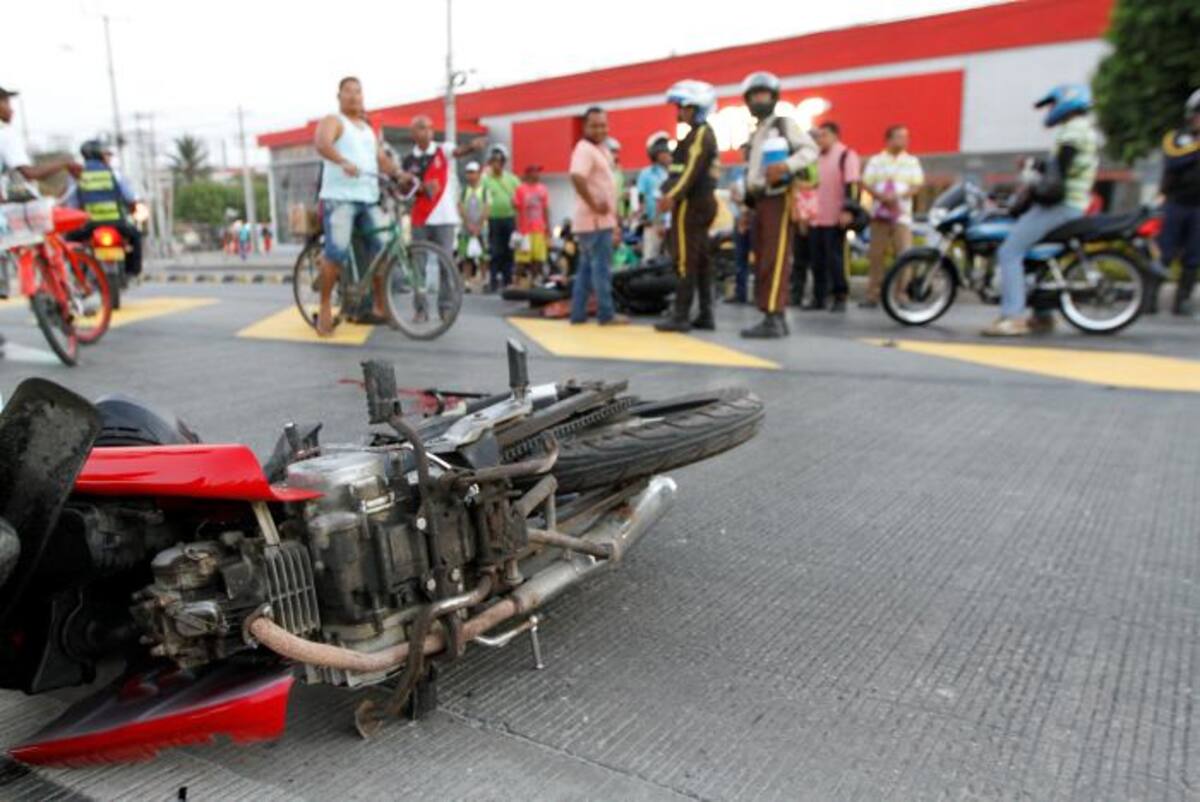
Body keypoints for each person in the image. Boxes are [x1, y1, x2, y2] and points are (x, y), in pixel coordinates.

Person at [982, 83, 1098, 336]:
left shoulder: (1073, 132)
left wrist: (1032, 184)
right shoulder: (1081, 130)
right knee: (1037, 256)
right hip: (1072, 204)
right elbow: (1058, 168)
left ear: (1068, 102)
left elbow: (1058, 176)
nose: (1052, 110)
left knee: (1010, 250)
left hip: (1062, 206)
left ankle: (1013, 317)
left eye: (1054, 104)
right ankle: (1043, 315)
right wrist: (1034, 164)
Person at [312, 76, 410, 336]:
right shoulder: (334, 121)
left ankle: (381, 306)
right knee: (337, 252)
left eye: (358, 91)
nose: (354, 96)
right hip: (339, 197)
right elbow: (322, 144)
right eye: (348, 92)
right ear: (339, 96)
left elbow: (381, 159)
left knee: (382, 250)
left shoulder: (368, 130)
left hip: (368, 198)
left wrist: (399, 175)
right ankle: (324, 308)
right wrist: (342, 161)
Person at [738, 71, 819, 338]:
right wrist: (747, 208)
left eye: (764, 95)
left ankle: (773, 316)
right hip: (760, 200)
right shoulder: (757, 132)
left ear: (774, 98)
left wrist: (786, 165)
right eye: (755, 96)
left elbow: (810, 150)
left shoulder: (783, 124)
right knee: (763, 258)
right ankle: (775, 315)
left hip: (777, 197)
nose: (759, 100)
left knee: (775, 257)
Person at [654, 80, 720, 332]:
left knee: (683, 258)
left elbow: (692, 168)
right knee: (701, 260)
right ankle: (705, 314)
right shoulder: (697, 133)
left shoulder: (701, 133)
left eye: (683, 107)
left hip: (690, 204)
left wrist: (673, 194)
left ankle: (680, 316)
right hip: (699, 202)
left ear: (696, 107)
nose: (679, 112)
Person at [568, 107, 627, 325]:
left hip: (598, 221)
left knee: (585, 270)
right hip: (594, 221)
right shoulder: (584, 149)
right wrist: (594, 203)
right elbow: (576, 176)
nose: (600, 129)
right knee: (601, 269)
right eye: (594, 125)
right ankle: (606, 313)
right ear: (585, 126)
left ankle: (578, 314)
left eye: (603, 125)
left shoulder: (600, 149)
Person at [401, 115, 484, 257]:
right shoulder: (408, 160)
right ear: (413, 133)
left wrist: (471, 146)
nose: (427, 131)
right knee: (418, 263)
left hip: (445, 217)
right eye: (422, 128)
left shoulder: (442, 149)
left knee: (446, 263)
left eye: (430, 128)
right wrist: (419, 187)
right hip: (420, 218)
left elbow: (458, 151)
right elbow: (405, 189)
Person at [860, 124, 924, 308]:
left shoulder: (911, 161)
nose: (904, 141)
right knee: (876, 255)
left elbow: (917, 185)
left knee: (904, 254)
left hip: (902, 215)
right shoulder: (876, 161)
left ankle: (901, 293)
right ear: (888, 139)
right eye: (900, 137)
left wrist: (898, 197)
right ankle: (873, 294)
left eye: (906, 137)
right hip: (879, 214)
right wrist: (881, 197)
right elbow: (866, 183)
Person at [63, 139, 144, 277]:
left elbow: (72, 204)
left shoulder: (77, 175)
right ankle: (132, 271)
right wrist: (133, 210)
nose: (108, 158)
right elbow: (130, 198)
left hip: (88, 226)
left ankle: (78, 275)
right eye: (106, 154)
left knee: (69, 242)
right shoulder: (115, 174)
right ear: (98, 155)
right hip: (117, 223)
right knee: (136, 237)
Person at [809, 121, 861, 313]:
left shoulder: (846, 155)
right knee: (816, 260)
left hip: (835, 217)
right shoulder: (815, 157)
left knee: (835, 259)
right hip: (816, 217)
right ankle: (818, 297)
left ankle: (840, 296)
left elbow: (852, 184)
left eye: (823, 135)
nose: (820, 139)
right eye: (818, 136)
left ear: (834, 135)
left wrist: (848, 210)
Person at [1159, 88, 1200, 317]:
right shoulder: (1175, 138)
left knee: (1194, 256)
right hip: (1175, 204)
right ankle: (1148, 301)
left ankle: (1182, 302)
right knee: (1164, 253)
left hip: (1198, 207)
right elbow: (1175, 160)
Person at [0, 86, 80, 201]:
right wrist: (66, 164)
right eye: (6, 102)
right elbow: (30, 173)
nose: (11, 110)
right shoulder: (5, 134)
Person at [481, 144, 520, 292]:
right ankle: (493, 280)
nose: (497, 164)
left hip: (509, 218)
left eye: (500, 161)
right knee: (495, 250)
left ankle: (507, 279)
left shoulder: (512, 180)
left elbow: (519, 197)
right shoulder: (485, 180)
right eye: (494, 161)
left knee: (509, 250)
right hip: (492, 219)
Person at [636, 131, 672, 261]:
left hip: (672, 226)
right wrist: (645, 218)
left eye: (668, 150)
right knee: (650, 259)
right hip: (652, 225)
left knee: (672, 260)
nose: (667, 154)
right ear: (654, 154)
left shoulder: (673, 173)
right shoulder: (646, 174)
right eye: (663, 151)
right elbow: (640, 198)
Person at [514, 164, 550, 283]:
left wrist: (547, 226)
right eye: (535, 172)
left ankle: (534, 280)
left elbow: (545, 208)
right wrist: (517, 228)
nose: (538, 175)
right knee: (522, 259)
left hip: (539, 228)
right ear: (529, 174)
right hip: (525, 229)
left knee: (538, 258)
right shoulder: (521, 189)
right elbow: (516, 208)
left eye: (538, 172)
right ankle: (517, 281)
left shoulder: (543, 189)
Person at [458, 161, 490, 292]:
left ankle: (484, 279)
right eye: (468, 173)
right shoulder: (464, 190)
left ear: (478, 174)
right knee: (466, 256)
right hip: (466, 228)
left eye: (473, 172)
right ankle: (467, 281)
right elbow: (460, 207)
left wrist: (479, 226)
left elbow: (487, 209)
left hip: (482, 228)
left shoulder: (484, 191)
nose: (470, 175)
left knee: (484, 256)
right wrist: (468, 224)